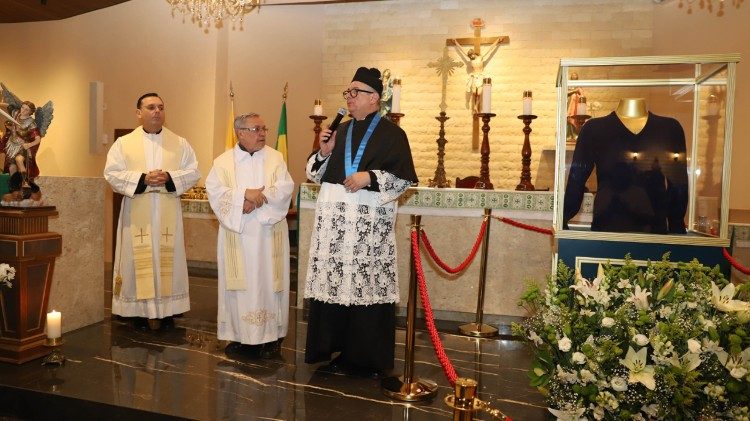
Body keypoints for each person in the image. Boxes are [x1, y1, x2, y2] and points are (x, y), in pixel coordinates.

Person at [303, 67, 418, 378]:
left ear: (374, 98)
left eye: (356, 92)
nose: (349, 98)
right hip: (336, 228)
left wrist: (370, 177)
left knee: (366, 287)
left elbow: (403, 180)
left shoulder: (393, 135)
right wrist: (324, 152)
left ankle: (365, 359)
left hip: (369, 229)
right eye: (348, 92)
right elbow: (314, 174)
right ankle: (334, 350)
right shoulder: (339, 131)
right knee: (336, 286)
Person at [104, 93, 201, 331]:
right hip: (137, 210)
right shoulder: (123, 144)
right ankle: (136, 311)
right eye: (150, 107)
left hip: (168, 210)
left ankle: (168, 311)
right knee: (136, 259)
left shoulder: (180, 143)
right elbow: (111, 174)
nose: (157, 111)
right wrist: (143, 179)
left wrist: (169, 177)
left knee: (167, 259)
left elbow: (193, 172)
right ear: (139, 113)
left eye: (160, 107)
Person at [205, 112, 294, 359]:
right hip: (239, 236)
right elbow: (215, 192)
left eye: (264, 128)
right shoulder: (222, 162)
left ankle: (272, 336)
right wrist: (243, 195)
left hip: (269, 234)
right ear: (240, 133)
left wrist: (254, 201)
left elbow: (285, 188)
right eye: (256, 129)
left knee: (269, 283)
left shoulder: (275, 158)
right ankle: (240, 336)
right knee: (241, 286)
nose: (263, 133)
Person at [563, 98, 688, 234]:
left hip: (652, 233)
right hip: (607, 233)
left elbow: (678, 185)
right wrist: (563, 219)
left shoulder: (670, 128)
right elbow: (576, 180)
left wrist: (677, 227)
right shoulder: (594, 129)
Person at [451, 37, 502, 113]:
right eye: (470, 56)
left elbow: (490, 49)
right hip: (474, 77)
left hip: (480, 76)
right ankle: (475, 106)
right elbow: (462, 50)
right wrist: (455, 42)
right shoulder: (471, 59)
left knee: (479, 93)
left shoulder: (480, 57)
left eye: (472, 55)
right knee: (474, 92)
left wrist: (497, 41)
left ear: (474, 53)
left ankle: (476, 106)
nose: (471, 57)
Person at [2, 101, 42, 184]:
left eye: (26, 110)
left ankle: (25, 182)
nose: (23, 110)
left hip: (22, 146)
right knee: (11, 166)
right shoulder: (16, 114)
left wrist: (29, 145)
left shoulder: (31, 123)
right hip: (11, 145)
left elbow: (38, 139)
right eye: (22, 107)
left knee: (19, 160)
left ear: (30, 112)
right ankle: (14, 185)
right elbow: (9, 106)